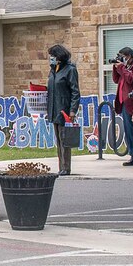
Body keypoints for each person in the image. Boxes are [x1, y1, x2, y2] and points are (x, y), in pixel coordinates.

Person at [46, 44, 80, 176]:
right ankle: (61, 166)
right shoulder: (53, 70)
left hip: (64, 108)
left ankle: (66, 167)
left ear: (59, 56)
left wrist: (72, 110)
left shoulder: (70, 70)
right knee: (58, 140)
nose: (51, 58)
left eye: (53, 56)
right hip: (54, 108)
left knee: (64, 139)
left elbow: (75, 92)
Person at [110, 47, 133, 167]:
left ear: (129, 56)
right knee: (130, 131)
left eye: (123, 57)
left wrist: (121, 68)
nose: (122, 59)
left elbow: (131, 79)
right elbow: (116, 80)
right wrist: (115, 67)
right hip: (124, 102)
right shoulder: (125, 67)